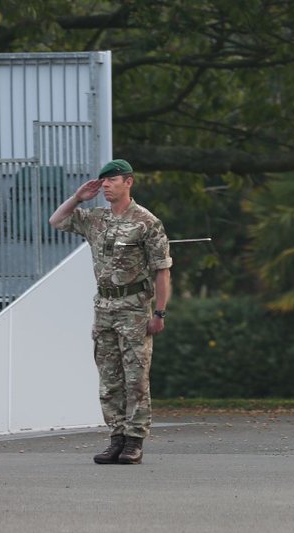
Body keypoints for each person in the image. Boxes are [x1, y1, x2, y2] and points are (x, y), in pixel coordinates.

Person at [48, 159, 172, 465]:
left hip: (133, 309)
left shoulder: (146, 222)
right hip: (104, 307)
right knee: (109, 378)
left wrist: (160, 313)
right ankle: (116, 438)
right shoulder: (96, 219)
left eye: (112, 181)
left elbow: (162, 271)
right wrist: (78, 197)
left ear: (128, 182)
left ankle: (134, 440)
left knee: (135, 377)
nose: (105, 186)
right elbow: (56, 221)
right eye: (103, 182)